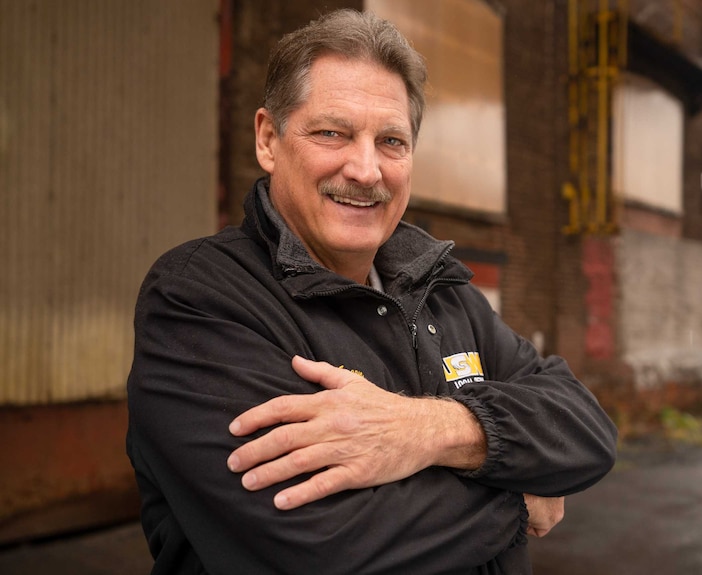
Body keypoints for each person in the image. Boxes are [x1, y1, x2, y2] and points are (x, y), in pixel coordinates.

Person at [126, 8, 617, 575]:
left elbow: (586, 430)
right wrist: (517, 494)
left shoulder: (442, 292)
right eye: (332, 133)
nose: (365, 169)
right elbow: (321, 545)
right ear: (268, 139)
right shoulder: (198, 300)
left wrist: (427, 431)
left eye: (390, 141)